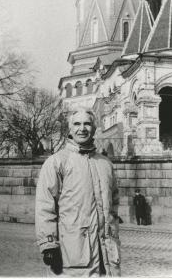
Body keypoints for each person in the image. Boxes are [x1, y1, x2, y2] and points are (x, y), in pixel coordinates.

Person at [35, 108, 121, 277]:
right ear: (70, 129)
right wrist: (48, 244)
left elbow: (114, 204)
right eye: (77, 124)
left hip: (107, 256)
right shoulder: (57, 162)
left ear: (94, 128)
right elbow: (45, 206)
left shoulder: (105, 164)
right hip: (73, 255)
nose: (82, 128)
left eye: (87, 124)